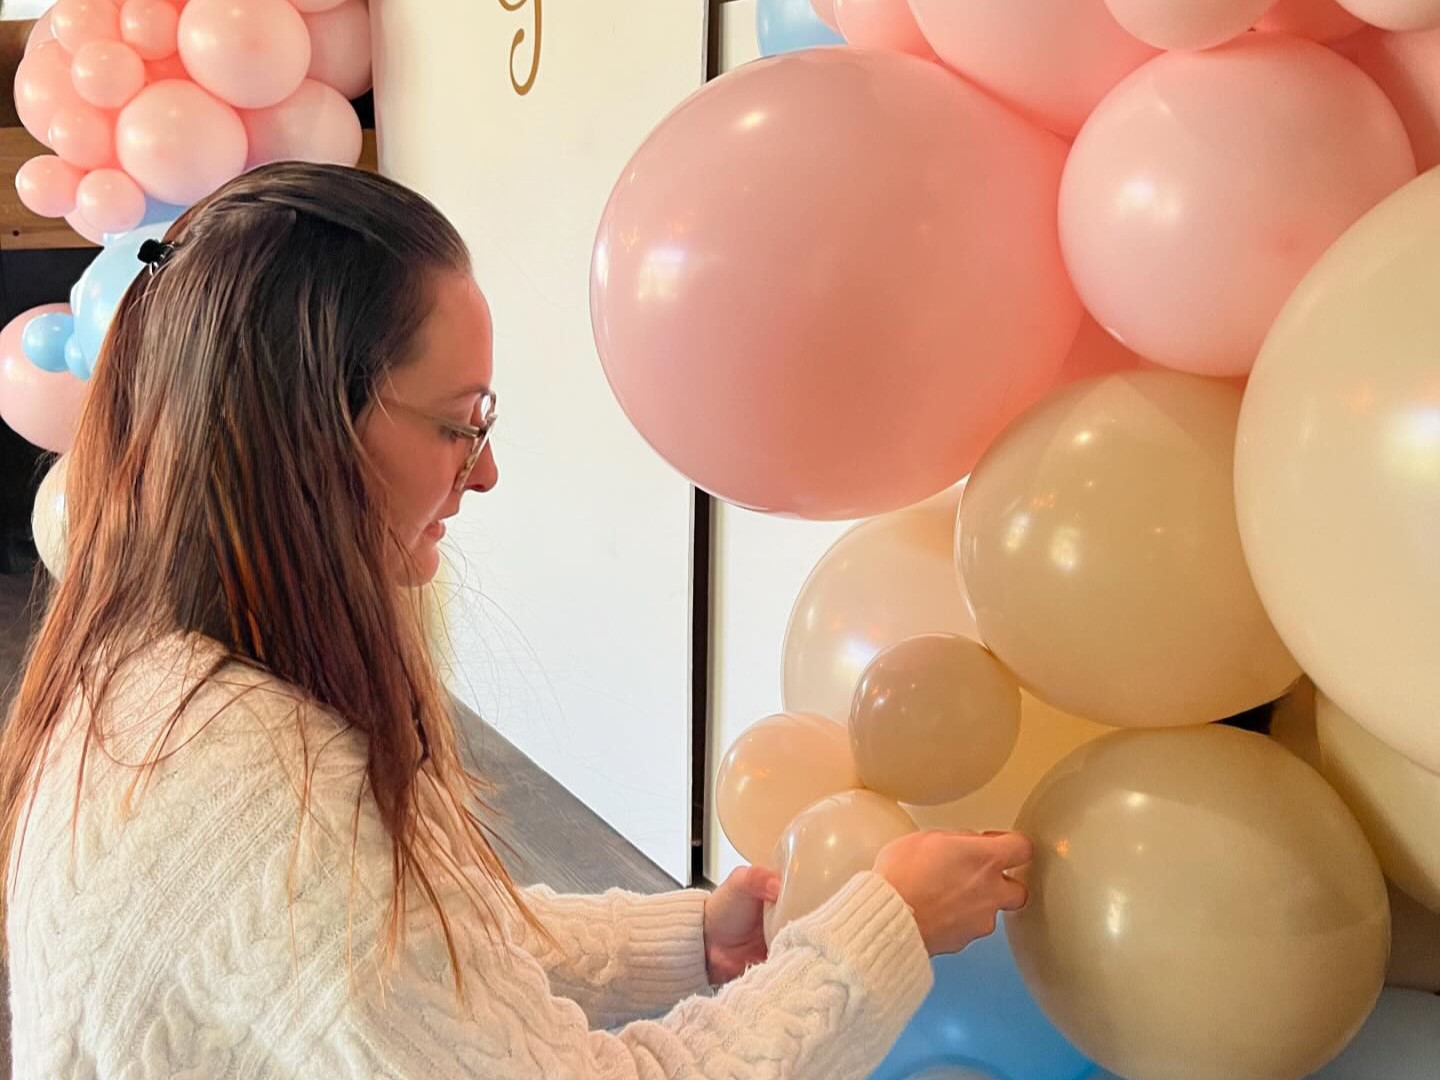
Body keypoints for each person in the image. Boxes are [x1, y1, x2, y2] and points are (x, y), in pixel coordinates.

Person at [0, 163, 1032, 1079]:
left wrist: (691, 941)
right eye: (460, 424)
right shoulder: (272, 794)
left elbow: (422, 954)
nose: (484, 471)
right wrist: (882, 932)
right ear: (307, 430)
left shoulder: (144, 668)